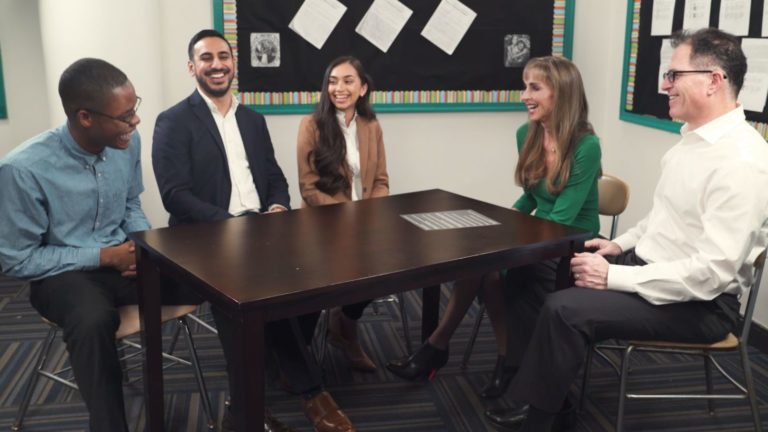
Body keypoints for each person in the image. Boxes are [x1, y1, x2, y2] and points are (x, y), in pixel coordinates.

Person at [487, 28, 768, 432]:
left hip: (700, 304)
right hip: (658, 269)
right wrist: (617, 245)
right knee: (532, 276)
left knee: (563, 308)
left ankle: (538, 416)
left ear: (714, 80)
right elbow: (661, 219)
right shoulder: (690, 143)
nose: (664, 85)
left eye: (674, 75)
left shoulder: (742, 161)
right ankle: (551, 394)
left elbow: (711, 274)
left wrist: (614, 274)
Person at [152, 30, 355, 432]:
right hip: (206, 238)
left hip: (264, 230)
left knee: (316, 275)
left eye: (223, 56)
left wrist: (278, 207)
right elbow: (175, 196)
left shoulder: (252, 120)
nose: (217, 64)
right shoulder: (172, 122)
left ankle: (267, 378)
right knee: (245, 296)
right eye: (206, 58)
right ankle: (287, 399)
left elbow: (274, 176)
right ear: (192, 67)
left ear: (233, 64)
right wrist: (233, 226)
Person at [386, 56, 601, 401]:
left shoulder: (586, 146)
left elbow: (561, 220)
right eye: (524, 86)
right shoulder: (526, 134)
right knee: (480, 265)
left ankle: (445, 350)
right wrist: (493, 226)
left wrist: (504, 240)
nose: (524, 96)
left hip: (572, 244)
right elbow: (530, 199)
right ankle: (500, 360)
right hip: (537, 233)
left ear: (560, 93)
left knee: (488, 271)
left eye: (534, 88)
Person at [0, 58, 197, 431]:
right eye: (125, 116)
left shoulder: (127, 142)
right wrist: (102, 256)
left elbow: (130, 205)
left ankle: (255, 399)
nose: (135, 122)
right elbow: (16, 259)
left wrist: (142, 245)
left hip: (124, 258)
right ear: (85, 117)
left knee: (213, 280)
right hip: (62, 274)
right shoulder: (22, 170)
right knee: (93, 320)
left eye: (134, 107)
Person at [296, 56, 389, 373]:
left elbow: (380, 181)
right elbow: (308, 188)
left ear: (362, 88)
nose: (339, 88)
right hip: (323, 227)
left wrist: (369, 216)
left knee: (387, 269)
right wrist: (349, 218)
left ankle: (344, 325)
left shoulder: (371, 125)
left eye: (348, 81)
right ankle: (307, 352)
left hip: (365, 223)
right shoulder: (311, 126)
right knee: (320, 285)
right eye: (333, 81)